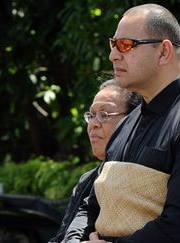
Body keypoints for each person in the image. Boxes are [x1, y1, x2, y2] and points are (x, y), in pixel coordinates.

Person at [63, 3, 180, 243]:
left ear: (164, 51)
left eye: (125, 45)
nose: (113, 55)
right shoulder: (128, 122)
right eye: (113, 45)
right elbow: (91, 203)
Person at [49, 79, 140, 243]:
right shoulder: (88, 180)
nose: (93, 124)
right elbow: (63, 236)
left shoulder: (148, 175)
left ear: (133, 121)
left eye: (104, 115)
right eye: (91, 115)